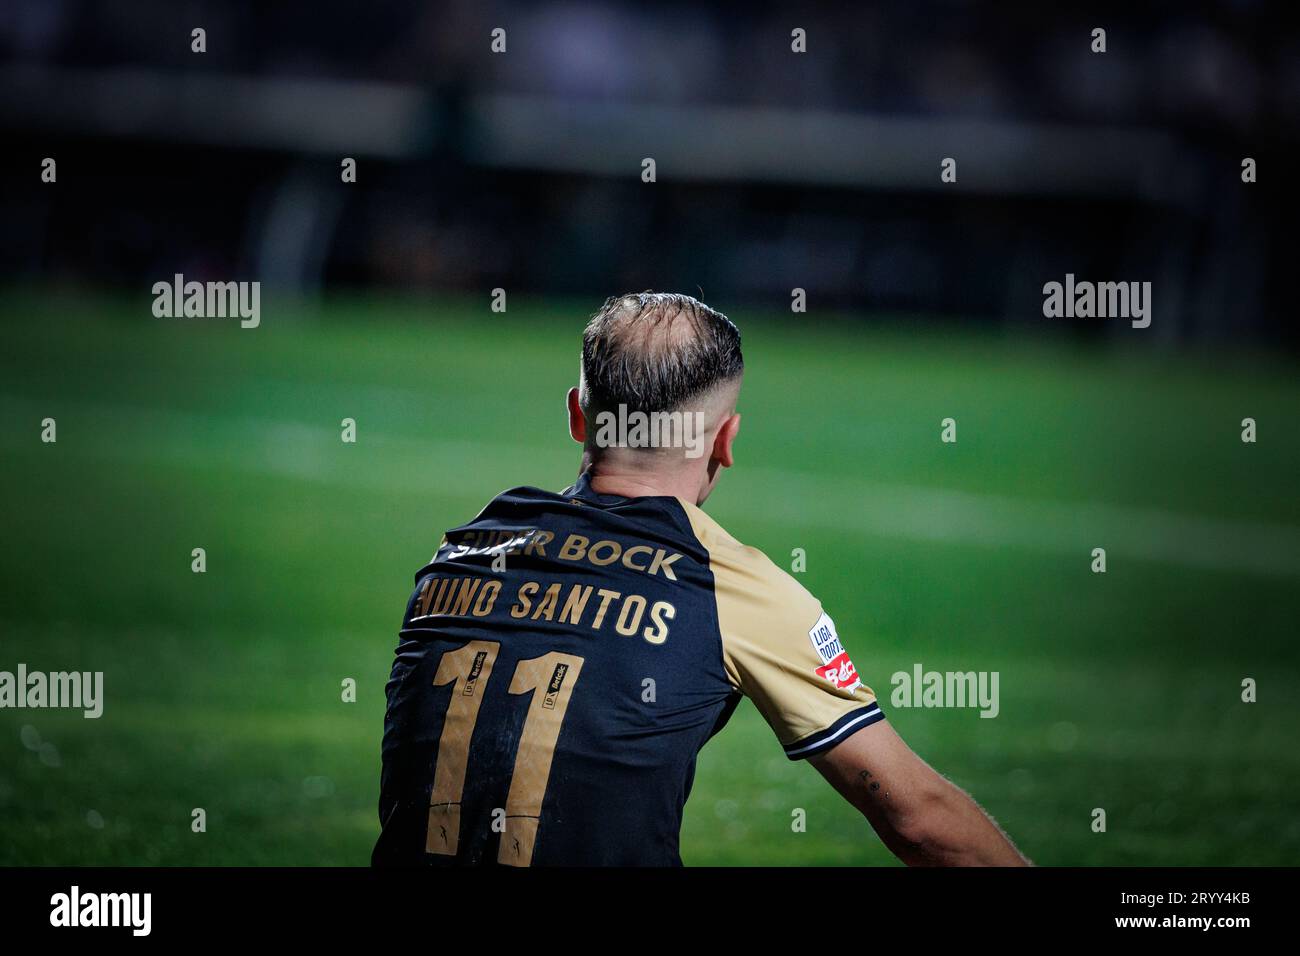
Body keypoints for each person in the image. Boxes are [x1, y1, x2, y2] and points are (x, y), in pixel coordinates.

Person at [373, 292, 1028, 866]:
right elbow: (919, 821)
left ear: (578, 415)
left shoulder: (458, 553)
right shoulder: (733, 586)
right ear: (725, 442)